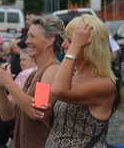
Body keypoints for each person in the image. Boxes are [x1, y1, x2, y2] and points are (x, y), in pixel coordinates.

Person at [0, 15, 65, 148]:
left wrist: (9, 83)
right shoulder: (34, 74)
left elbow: (38, 110)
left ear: (50, 40)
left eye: (32, 36)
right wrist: (0, 88)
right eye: (27, 36)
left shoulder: (52, 71)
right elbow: (7, 115)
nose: (27, 41)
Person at [37, 14, 116, 147]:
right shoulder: (65, 73)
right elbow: (39, 111)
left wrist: (9, 84)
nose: (63, 44)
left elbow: (57, 91)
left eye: (69, 40)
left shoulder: (105, 84)